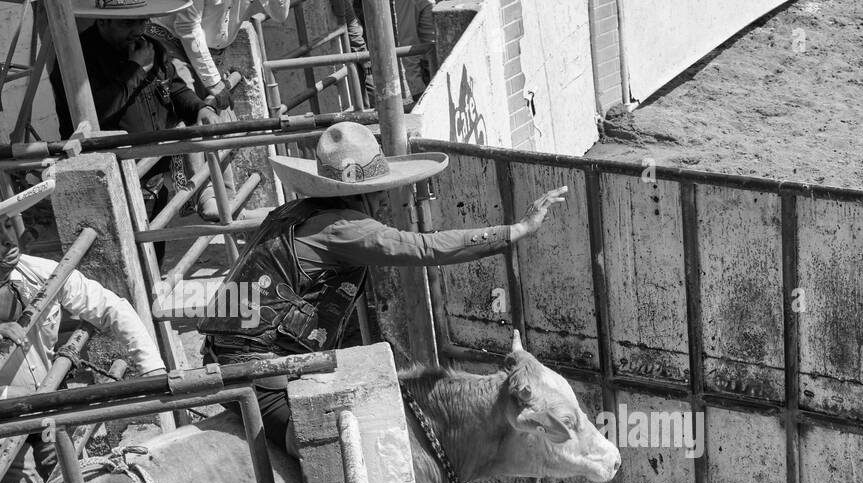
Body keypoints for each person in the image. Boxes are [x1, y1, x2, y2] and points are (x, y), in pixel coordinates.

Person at [198, 120, 566, 453]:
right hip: (257, 367)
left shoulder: (294, 213)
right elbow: (425, 247)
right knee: (326, 447)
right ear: (367, 193)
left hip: (226, 353)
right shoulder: (346, 229)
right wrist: (515, 231)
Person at [0, 180, 167, 483]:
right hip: (7, 420)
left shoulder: (37, 273)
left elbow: (109, 306)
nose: (8, 242)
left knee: (69, 482)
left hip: (47, 402)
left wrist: (152, 371)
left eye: (7, 227)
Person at [53, 0, 232, 222]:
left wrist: (199, 107)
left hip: (153, 171)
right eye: (128, 23)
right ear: (102, 21)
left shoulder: (149, 46)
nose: (137, 30)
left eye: (142, 21)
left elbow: (174, 87)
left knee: (154, 242)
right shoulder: (77, 61)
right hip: (112, 174)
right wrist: (135, 69)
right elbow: (97, 112)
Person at [162, 0, 291, 109]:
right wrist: (213, 82)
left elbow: (279, 15)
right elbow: (187, 26)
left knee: (212, 119)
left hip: (209, 56)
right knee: (190, 118)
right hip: (174, 49)